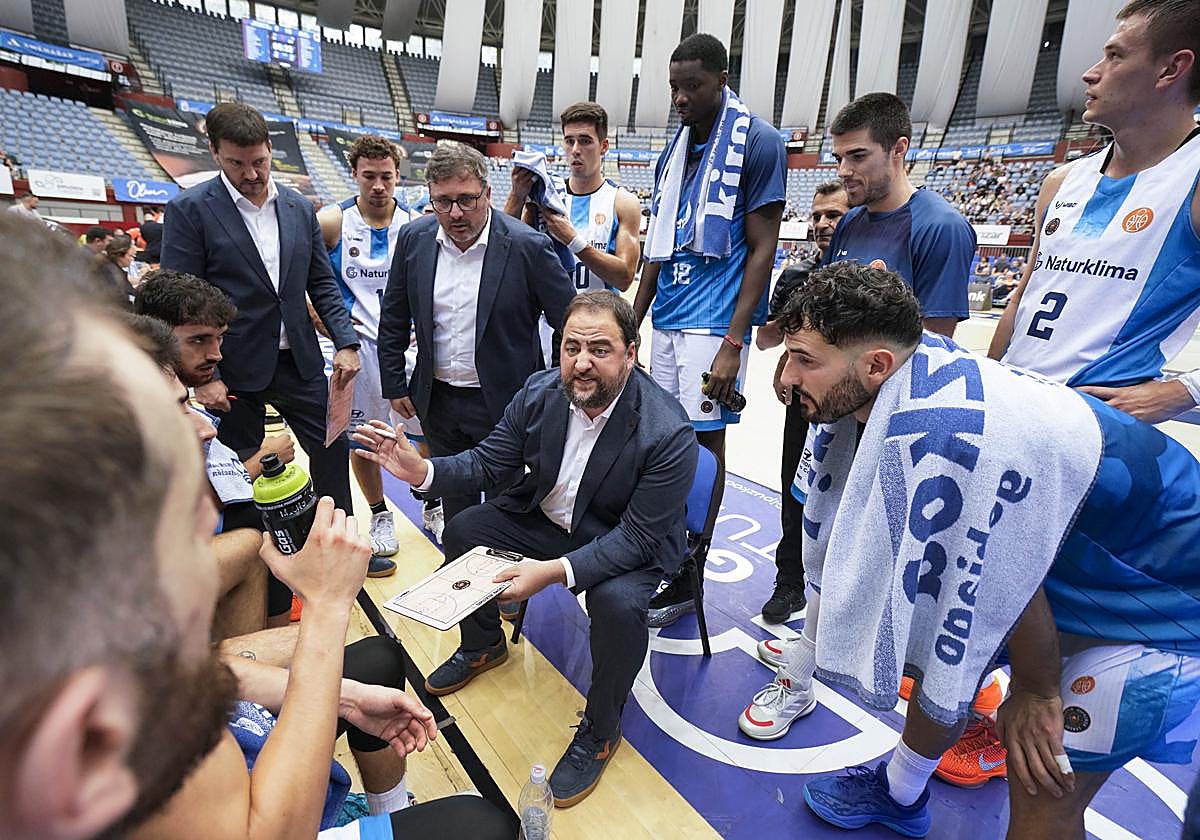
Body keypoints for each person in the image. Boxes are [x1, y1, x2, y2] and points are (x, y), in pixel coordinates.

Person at [0, 213, 514, 840]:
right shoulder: (111, 714)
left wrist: (344, 696)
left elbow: (187, 663)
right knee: (479, 825)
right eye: (160, 418)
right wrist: (326, 606)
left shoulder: (65, 623)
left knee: (350, 654)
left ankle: (386, 810)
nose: (201, 427)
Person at [761, 260, 1200, 840]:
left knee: (1042, 786)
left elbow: (1001, 575)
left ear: (875, 365)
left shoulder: (947, 433)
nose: (787, 378)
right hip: (1086, 557)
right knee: (952, 655)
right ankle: (900, 792)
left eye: (805, 359)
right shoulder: (906, 370)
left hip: (1164, 601)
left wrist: (1035, 689)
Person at [357, 291, 698, 808]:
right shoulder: (541, 391)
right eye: (570, 346)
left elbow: (639, 538)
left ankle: (602, 729)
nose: (580, 363)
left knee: (618, 604)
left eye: (600, 349)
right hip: (551, 520)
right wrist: (421, 471)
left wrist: (554, 571)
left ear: (631, 352)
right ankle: (484, 645)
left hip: (622, 537)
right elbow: (489, 463)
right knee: (467, 528)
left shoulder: (667, 430)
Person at [159, 102, 374, 565]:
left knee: (332, 451)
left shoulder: (299, 208)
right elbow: (176, 300)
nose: (251, 173)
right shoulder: (189, 210)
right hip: (229, 366)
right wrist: (201, 376)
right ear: (215, 153)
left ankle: (341, 548)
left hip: (298, 358)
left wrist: (347, 341)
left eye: (259, 161)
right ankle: (260, 560)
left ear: (271, 150)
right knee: (240, 469)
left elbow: (321, 283)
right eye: (237, 163)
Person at [632, 32, 785, 622]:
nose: (680, 98)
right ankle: (665, 550)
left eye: (692, 86)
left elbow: (762, 250)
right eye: (673, 86)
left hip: (712, 326)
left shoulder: (760, 142)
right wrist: (632, 322)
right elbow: (657, 248)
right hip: (668, 317)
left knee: (703, 448)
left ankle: (691, 568)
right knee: (665, 445)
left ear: (723, 79)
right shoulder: (676, 147)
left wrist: (733, 341)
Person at [990, 0, 1200, 426]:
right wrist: (985, 381)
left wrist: (1181, 392)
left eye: (1115, 54)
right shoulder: (1061, 182)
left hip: (1093, 429)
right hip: (1010, 407)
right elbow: (1023, 298)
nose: (1091, 72)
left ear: (1171, 69)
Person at [378, 142, 575, 528]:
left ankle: (508, 586)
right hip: (439, 403)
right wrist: (394, 382)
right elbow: (395, 315)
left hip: (508, 405)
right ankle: (460, 580)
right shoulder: (414, 239)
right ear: (430, 197)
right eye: (443, 202)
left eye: (467, 200)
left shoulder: (527, 246)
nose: (455, 213)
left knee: (507, 510)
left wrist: (555, 387)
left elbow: (569, 322)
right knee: (458, 509)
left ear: (487, 192)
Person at [134, 269, 303, 627]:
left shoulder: (185, 400)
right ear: (154, 337)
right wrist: (262, 460)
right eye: (199, 340)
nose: (216, 354)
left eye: (220, 340)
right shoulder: (137, 412)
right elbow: (190, 511)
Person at [316, 134, 427, 558]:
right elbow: (306, 280)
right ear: (354, 174)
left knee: (425, 431)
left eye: (386, 176)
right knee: (362, 437)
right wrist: (326, 324)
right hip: (358, 349)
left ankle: (431, 498)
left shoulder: (416, 224)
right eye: (369, 176)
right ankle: (380, 512)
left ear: (398, 176)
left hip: (408, 348)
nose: (378, 185)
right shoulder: (332, 222)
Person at [753, 181, 849, 625]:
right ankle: (789, 581)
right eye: (817, 216)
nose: (823, 224)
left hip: (854, 407)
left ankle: (843, 597)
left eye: (833, 214)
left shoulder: (866, 276)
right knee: (795, 488)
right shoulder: (796, 276)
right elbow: (767, 337)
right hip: (804, 405)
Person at [504, 101, 642, 295]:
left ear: (604, 146)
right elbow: (505, 250)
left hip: (598, 320)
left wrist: (573, 240)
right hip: (549, 322)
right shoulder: (545, 197)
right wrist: (516, 196)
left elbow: (625, 278)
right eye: (569, 141)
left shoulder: (623, 202)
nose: (575, 149)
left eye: (585, 141)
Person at [92, 232, 137, 309]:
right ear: (120, 255)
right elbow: (119, 298)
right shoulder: (109, 272)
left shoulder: (110, 268)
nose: (132, 259)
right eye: (130, 256)